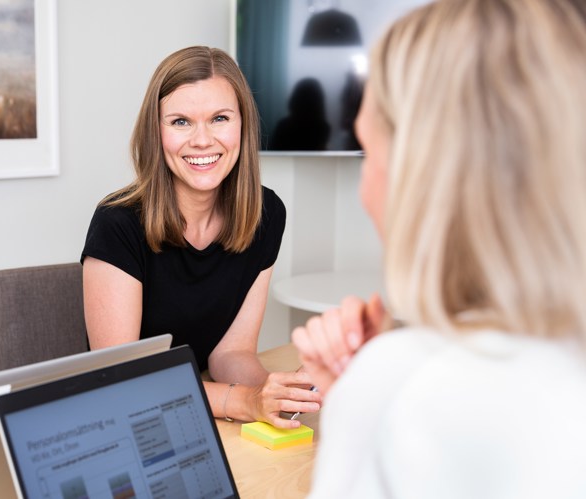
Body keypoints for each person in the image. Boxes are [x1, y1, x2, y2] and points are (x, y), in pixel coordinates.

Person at [291, 0, 586, 497]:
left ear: (424, 177)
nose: (365, 189)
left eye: (370, 151)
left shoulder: (404, 383)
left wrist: (359, 408)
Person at [81, 46, 321, 427]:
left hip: (196, 406)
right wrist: (243, 402)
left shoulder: (266, 213)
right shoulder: (117, 223)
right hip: (124, 417)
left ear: (242, 125)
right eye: (180, 122)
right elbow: (123, 381)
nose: (202, 140)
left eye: (220, 118)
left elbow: (232, 352)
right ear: (155, 132)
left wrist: (276, 395)